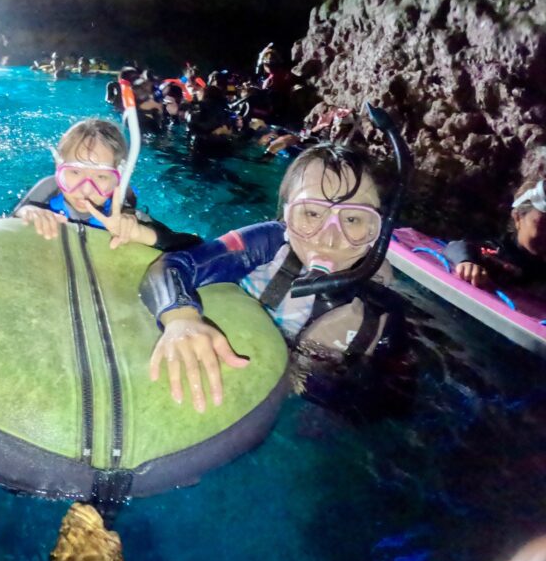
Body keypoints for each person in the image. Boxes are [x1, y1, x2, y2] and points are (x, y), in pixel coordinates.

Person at [140, 139, 405, 413]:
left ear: (379, 231)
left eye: (353, 220)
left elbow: (388, 402)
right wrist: (181, 319)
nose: (329, 238)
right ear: (287, 217)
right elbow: (173, 266)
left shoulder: (383, 315)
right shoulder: (267, 244)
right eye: (312, 214)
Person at [14, 119, 197, 251]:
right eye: (75, 172)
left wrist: (140, 233)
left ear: (118, 180)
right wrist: (26, 212)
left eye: (101, 177)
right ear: (58, 169)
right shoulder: (46, 192)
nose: (85, 190)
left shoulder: (123, 215)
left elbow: (193, 245)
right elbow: (7, 221)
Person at [445, 178, 546, 290]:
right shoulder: (497, 252)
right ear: (518, 217)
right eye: (543, 224)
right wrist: (466, 262)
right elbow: (456, 246)